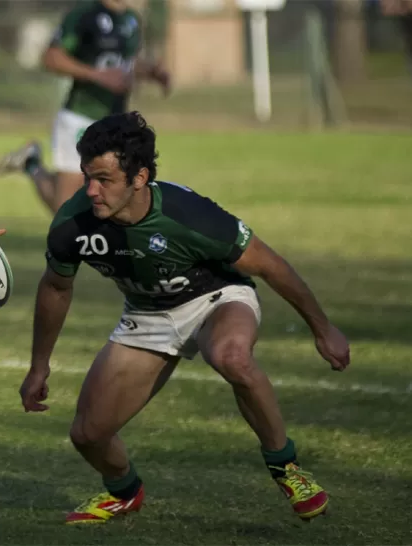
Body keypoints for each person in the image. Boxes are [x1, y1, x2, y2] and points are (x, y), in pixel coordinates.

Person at [19, 111, 350, 524]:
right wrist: (38, 366)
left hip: (217, 298)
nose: (91, 190)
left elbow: (270, 266)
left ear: (139, 178)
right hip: (148, 314)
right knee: (88, 435)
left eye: (104, 179)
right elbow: (55, 288)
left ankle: (286, 467)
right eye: (87, 176)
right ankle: (123, 491)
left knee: (232, 357)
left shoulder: (188, 214)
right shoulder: (73, 223)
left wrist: (324, 329)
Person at [0, 0, 171, 214]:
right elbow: (51, 58)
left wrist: (152, 72)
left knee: (113, 196)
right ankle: (32, 165)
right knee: (66, 208)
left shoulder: (131, 19)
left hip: (114, 123)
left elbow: (125, 63)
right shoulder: (84, 14)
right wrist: (97, 76)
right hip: (80, 117)